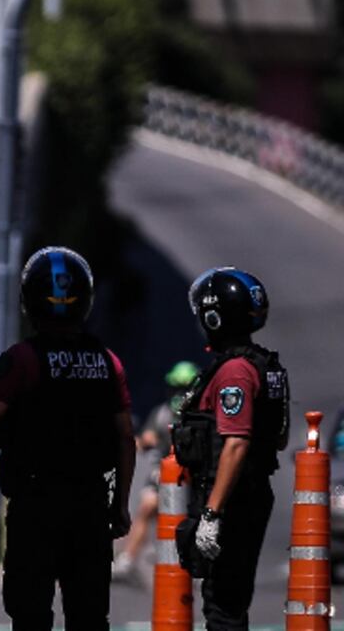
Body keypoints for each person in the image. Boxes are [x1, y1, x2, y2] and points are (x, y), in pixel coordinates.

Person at [0, 246, 137, 631]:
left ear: (29, 301)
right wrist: (120, 504)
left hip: (36, 504)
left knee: (29, 613)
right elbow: (126, 437)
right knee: (90, 613)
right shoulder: (107, 361)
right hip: (91, 502)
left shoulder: (21, 360)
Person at [171, 267, 290, 631]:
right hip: (247, 494)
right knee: (230, 602)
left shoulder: (235, 371)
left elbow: (236, 443)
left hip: (232, 500)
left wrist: (211, 515)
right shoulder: (262, 365)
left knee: (222, 607)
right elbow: (279, 436)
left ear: (214, 317)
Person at [113, 360, 200, 581]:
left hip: (193, 475)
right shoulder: (161, 413)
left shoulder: (201, 415)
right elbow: (146, 438)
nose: (180, 393)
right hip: (163, 472)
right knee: (147, 506)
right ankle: (128, 559)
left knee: (194, 518)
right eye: (176, 388)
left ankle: (193, 564)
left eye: (185, 388)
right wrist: (136, 442)